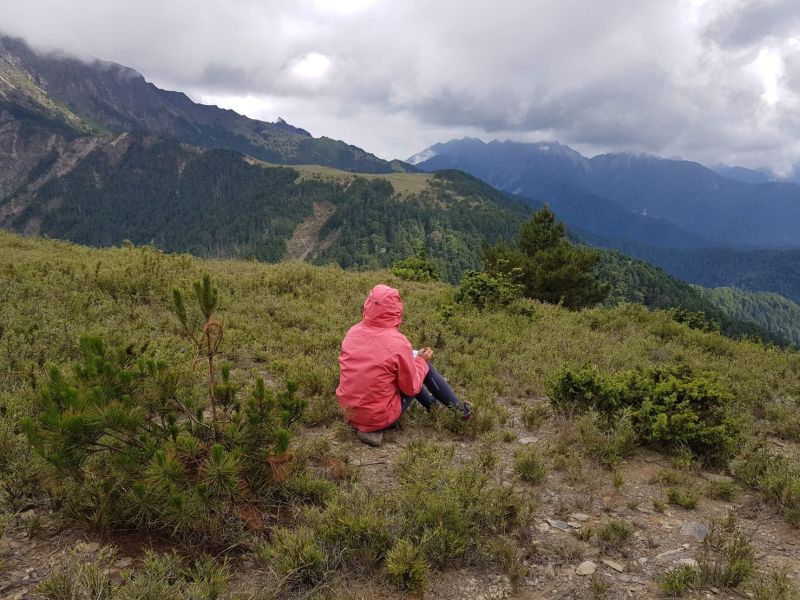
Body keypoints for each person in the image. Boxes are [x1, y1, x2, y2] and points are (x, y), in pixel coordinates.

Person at [336, 283, 471, 446]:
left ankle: (433, 406)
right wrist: (421, 361)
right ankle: (460, 412)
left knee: (407, 368)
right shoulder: (399, 343)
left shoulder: (352, 332)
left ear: (368, 305)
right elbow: (411, 388)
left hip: (349, 412)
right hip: (378, 417)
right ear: (396, 310)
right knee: (422, 368)